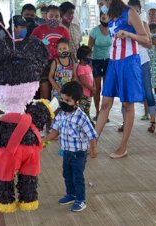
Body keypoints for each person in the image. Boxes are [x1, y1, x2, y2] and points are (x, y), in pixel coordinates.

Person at [94, 0, 150, 158]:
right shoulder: (111, 15)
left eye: (102, 1)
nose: (101, 4)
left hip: (129, 61)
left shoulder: (130, 13)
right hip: (113, 62)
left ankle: (123, 147)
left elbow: (146, 39)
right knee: (105, 104)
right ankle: (93, 142)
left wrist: (129, 34)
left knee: (127, 104)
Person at [43, 81, 97, 212]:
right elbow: (55, 131)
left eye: (67, 100)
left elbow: (92, 135)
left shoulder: (81, 117)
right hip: (66, 152)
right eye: (62, 99)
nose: (63, 102)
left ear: (76, 102)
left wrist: (93, 149)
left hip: (79, 154)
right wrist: (43, 140)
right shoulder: (61, 114)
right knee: (67, 174)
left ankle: (81, 200)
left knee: (77, 177)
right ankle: (71, 195)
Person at [128, 0, 156, 133]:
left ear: (139, 11)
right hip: (129, 63)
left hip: (143, 62)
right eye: (131, 11)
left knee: (148, 92)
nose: (135, 13)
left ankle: (153, 122)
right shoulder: (125, 25)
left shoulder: (144, 24)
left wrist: (136, 37)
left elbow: (149, 44)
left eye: (137, 11)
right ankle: (125, 122)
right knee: (127, 94)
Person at [32, 5, 71, 100]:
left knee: (59, 93)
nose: (54, 18)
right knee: (45, 96)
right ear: (46, 16)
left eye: (56, 16)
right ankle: (46, 112)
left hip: (59, 64)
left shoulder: (64, 31)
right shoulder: (38, 30)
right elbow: (31, 44)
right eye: (51, 16)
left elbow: (67, 48)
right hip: (44, 64)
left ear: (60, 17)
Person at [88, 11, 111, 121]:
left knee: (107, 89)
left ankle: (105, 113)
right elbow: (89, 48)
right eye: (103, 16)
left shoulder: (113, 29)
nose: (105, 17)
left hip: (109, 61)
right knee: (97, 88)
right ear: (100, 17)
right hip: (96, 61)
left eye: (107, 15)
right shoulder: (94, 31)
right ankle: (97, 112)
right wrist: (89, 64)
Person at [76, 45, 95, 125]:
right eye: (89, 55)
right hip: (84, 93)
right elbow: (83, 81)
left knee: (87, 108)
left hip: (89, 93)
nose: (90, 57)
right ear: (83, 56)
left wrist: (94, 87)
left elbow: (92, 77)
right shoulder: (80, 67)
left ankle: (87, 122)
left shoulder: (88, 66)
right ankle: (81, 123)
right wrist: (92, 88)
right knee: (82, 109)